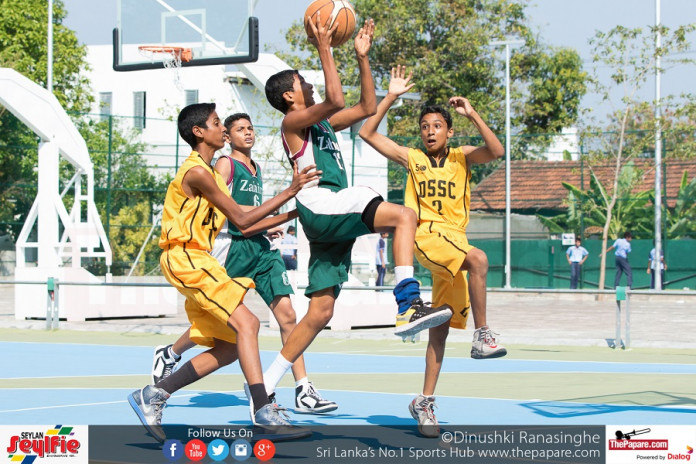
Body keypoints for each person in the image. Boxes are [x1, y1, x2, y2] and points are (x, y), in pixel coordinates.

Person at [258, 18, 452, 406]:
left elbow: (364, 106)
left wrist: (363, 58)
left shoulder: (323, 124)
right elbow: (334, 99)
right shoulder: (293, 122)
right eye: (302, 81)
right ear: (289, 96)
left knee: (320, 312)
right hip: (320, 202)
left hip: (327, 213)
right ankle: (407, 302)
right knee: (403, 215)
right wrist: (324, 47)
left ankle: (262, 387)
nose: (309, 82)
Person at [127, 103, 319, 443]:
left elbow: (247, 224)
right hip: (185, 257)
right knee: (249, 324)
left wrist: (294, 214)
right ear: (200, 132)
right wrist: (291, 191)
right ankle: (263, 407)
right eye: (218, 123)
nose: (223, 129)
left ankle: (155, 394)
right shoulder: (199, 172)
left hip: (200, 259)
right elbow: (243, 220)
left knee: (230, 346)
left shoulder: (212, 175)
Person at [359, 65, 507, 437]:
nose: (429, 132)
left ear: (449, 130)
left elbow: (497, 150)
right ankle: (483, 334)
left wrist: (472, 112)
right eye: (424, 126)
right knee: (480, 258)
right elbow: (366, 131)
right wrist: (390, 95)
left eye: (436, 126)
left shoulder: (462, 157)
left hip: (454, 239)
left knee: (438, 330)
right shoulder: (413, 159)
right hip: (427, 236)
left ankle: (424, 402)